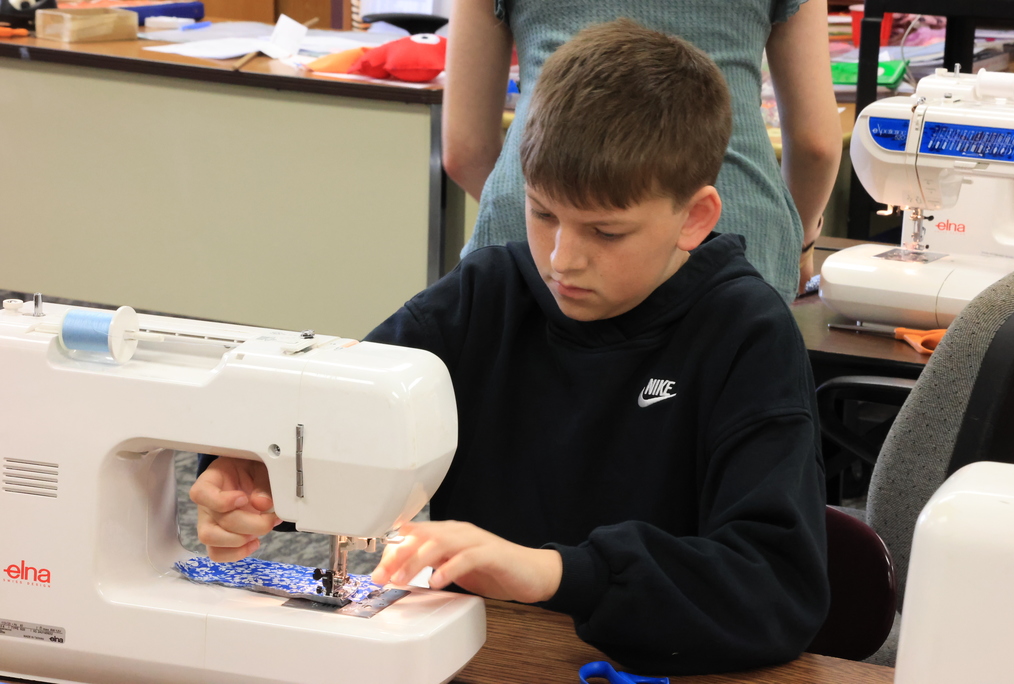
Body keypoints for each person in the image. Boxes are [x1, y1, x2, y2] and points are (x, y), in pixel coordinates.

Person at [191, 20, 828, 675]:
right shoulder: (487, 296)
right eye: (544, 213)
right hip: (490, 657)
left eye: (606, 232)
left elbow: (775, 592)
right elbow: (332, 403)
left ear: (694, 217)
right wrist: (245, 470)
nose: (562, 260)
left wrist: (551, 573)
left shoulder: (746, 333)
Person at [443, 0, 842, 300]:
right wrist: (801, 246)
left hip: (532, 224)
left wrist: (551, 215)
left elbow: (464, 147)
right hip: (732, 221)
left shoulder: (549, 238)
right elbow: (816, 145)